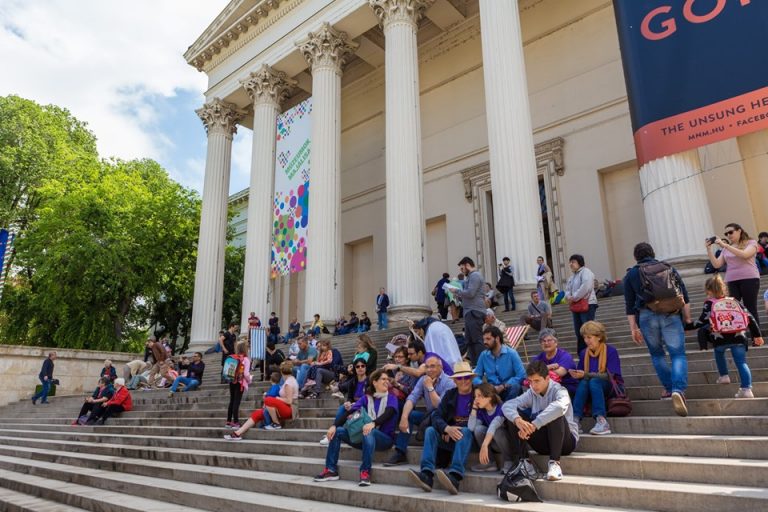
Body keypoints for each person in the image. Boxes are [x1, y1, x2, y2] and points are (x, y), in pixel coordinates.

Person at [624, 242, 692, 416]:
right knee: (677, 354)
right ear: (652, 253)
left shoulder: (632, 273)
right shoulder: (667, 267)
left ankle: (669, 388)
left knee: (657, 354)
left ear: (636, 257)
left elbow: (630, 305)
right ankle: (678, 389)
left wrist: (633, 328)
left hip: (646, 316)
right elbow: (683, 294)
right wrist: (687, 318)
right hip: (671, 313)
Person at [314, 369, 399, 486]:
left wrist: (373, 423)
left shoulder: (392, 397)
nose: (387, 382)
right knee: (338, 431)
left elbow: (388, 413)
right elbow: (350, 411)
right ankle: (331, 470)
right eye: (383, 379)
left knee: (369, 431)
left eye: (387, 380)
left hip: (384, 439)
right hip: (364, 439)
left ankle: (365, 472)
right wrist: (334, 425)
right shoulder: (367, 398)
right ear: (374, 382)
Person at [502, 360, 579, 482]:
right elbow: (507, 405)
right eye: (531, 381)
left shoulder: (560, 390)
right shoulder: (531, 393)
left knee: (555, 413)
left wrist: (535, 424)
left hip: (565, 443)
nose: (533, 385)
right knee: (515, 417)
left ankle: (555, 463)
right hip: (543, 444)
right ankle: (525, 462)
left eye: (537, 381)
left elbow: (559, 407)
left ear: (547, 378)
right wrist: (518, 420)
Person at [406, 361, 476, 495]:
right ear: (455, 380)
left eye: (466, 377)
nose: (463, 381)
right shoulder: (450, 394)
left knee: (465, 431)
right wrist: (446, 428)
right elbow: (437, 415)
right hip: (449, 438)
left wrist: (453, 428)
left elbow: (483, 418)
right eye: (459, 378)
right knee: (431, 430)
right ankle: (426, 475)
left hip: (469, 439)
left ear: (471, 378)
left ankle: (455, 477)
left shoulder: (478, 392)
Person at [689, 274, 764, 398]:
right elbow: (750, 317)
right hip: (738, 336)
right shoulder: (734, 301)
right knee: (741, 362)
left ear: (708, 290)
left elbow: (702, 321)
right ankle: (747, 390)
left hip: (720, 337)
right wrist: (757, 335)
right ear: (723, 288)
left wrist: (686, 326)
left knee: (719, 354)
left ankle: (724, 376)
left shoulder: (709, 303)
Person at [384, 355, 456, 466]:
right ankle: (400, 452)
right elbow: (412, 398)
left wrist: (430, 387)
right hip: (429, 417)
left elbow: (440, 406)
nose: (429, 370)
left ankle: (431, 460)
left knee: (433, 421)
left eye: (433, 366)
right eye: (427, 367)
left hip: (443, 420)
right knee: (409, 414)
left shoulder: (449, 382)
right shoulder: (423, 379)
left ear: (440, 367)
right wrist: (404, 417)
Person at [570, 321, 622, 435]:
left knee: (594, 381)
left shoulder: (610, 351)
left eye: (589, 337)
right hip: (589, 386)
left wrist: (585, 375)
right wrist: (577, 374)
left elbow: (610, 376)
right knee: (584, 383)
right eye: (585, 338)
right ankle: (575, 420)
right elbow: (583, 375)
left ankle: (601, 420)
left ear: (599, 337)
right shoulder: (584, 353)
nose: (586, 341)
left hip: (609, 386)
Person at [225, 361, 299, 438]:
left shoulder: (289, 383)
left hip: (290, 409)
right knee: (257, 413)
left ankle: (276, 424)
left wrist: (276, 398)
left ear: (281, 371)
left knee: (268, 400)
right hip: (284, 408)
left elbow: (289, 401)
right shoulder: (289, 380)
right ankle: (238, 433)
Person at [706, 223, 762, 325]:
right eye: (726, 233)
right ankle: (739, 334)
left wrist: (726, 246)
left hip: (749, 278)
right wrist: (709, 249)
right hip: (731, 280)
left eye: (731, 232)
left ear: (739, 231)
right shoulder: (726, 248)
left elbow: (745, 255)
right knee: (732, 308)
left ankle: (756, 337)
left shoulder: (751, 242)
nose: (728, 235)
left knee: (750, 307)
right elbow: (717, 264)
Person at [472, 325, 526, 401]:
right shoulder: (483, 355)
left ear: (497, 338)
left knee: (516, 387)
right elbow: (476, 376)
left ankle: (503, 409)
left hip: (508, 388)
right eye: (484, 339)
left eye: (488, 339)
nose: (485, 342)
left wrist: (503, 386)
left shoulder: (511, 353)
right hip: (491, 390)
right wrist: (486, 386)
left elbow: (521, 375)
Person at [469, 383, 513, 473]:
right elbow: (471, 428)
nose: (476, 399)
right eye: (475, 396)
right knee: (478, 429)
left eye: (479, 396)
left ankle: (509, 461)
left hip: (507, 444)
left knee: (497, 431)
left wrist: (485, 444)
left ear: (489, 397)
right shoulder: (482, 411)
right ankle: (489, 462)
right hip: (493, 443)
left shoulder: (501, 408)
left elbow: (494, 424)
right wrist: (474, 408)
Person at [454, 257, 486, 365]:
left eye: (462, 268)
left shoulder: (475, 276)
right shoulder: (471, 277)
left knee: (476, 340)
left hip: (475, 311)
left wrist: (457, 291)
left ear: (467, 265)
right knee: (470, 340)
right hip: (470, 311)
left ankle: (481, 364)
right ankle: (475, 364)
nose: (462, 271)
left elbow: (471, 293)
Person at [564, 254, 598, 356]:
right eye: (570, 262)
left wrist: (573, 297)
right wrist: (568, 297)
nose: (571, 264)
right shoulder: (572, 277)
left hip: (587, 304)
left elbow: (586, 287)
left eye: (573, 262)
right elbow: (567, 289)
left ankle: (593, 352)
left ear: (580, 262)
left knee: (588, 330)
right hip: (576, 306)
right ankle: (582, 354)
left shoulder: (586, 272)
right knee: (578, 331)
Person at [533, 329, 578, 396]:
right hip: (545, 387)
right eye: (543, 341)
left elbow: (560, 373)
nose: (546, 343)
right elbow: (531, 373)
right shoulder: (538, 358)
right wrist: (549, 367)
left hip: (566, 387)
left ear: (556, 342)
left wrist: (540, 370)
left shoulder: (565, 356)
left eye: (549, 340)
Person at [225, 341, 253, 429]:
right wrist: (250, 379)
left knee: (232, 401)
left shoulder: (234, 357)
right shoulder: (246, 359)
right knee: (237, 402)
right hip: (240, 383)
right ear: (245, 348)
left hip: (232, 381)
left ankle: (228, 421)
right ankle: (236, 422)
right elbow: (246, 374)